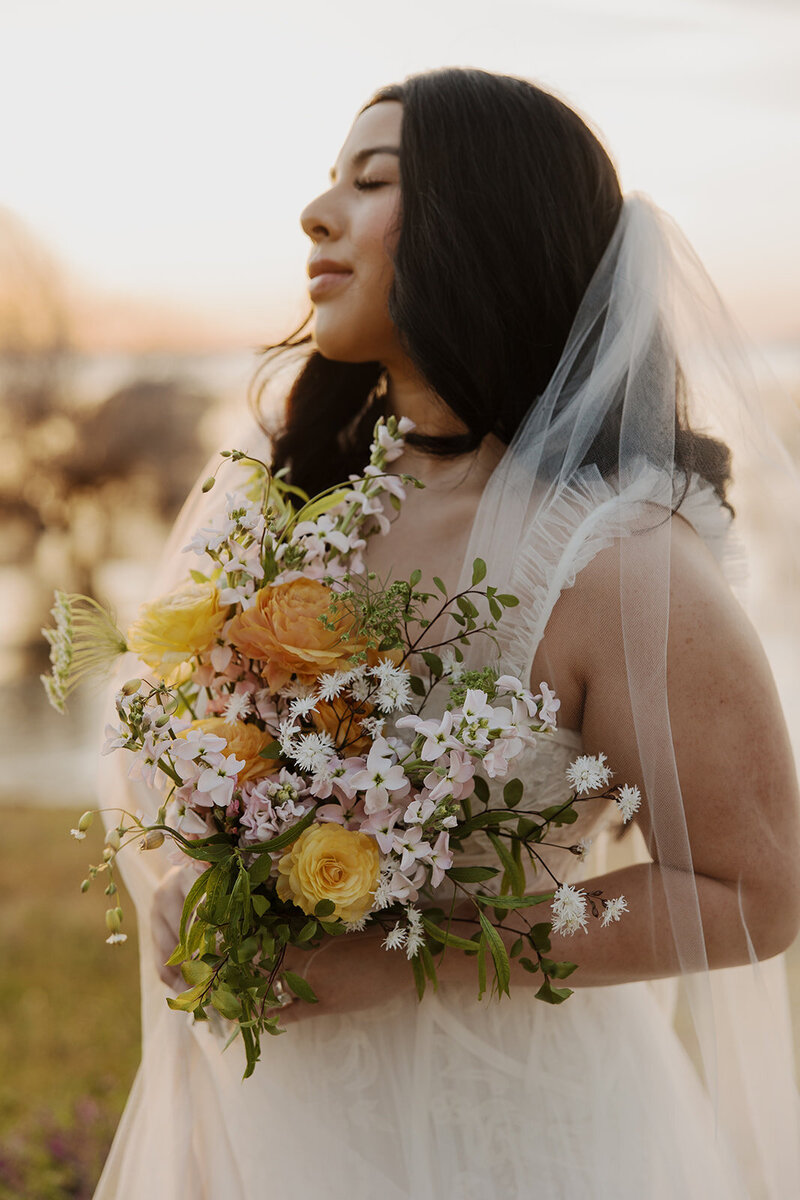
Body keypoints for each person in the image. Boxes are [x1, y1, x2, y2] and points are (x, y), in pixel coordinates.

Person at [93, 68, 800, 1198]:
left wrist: (411, 957)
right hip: (276, 1119)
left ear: (482, 225)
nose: (316, 214)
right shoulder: (286, 506)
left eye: (371, 182)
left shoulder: (607, 558)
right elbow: (171, 764)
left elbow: (751, 894)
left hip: (513, 1136)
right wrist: (187, 881)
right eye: (330, 179)